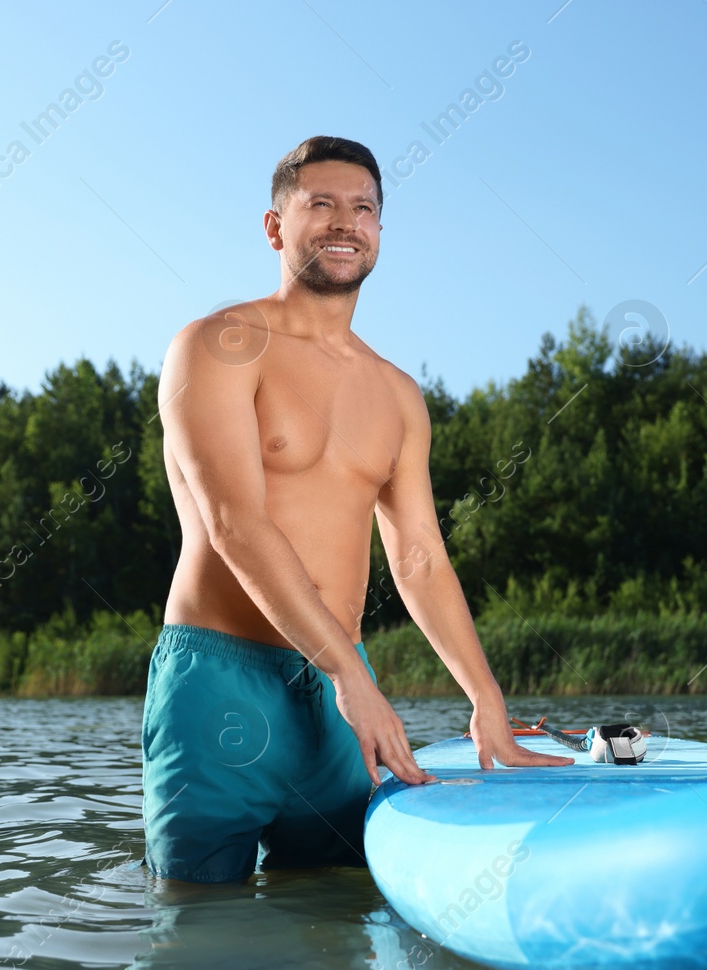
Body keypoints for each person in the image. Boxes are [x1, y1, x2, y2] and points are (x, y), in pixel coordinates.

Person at [140, 135, 572, 884]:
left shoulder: (397, 393)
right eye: (322, 205)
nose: (346, 222)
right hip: (222, 682)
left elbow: (418, 556)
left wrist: (485, 698)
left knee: (339, 925)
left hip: (343, 693)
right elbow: (234, 522)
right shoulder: (217, 345)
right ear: (276, 227)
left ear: (378, 232)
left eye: (363, 208)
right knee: (200, 938)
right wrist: (353, 678)